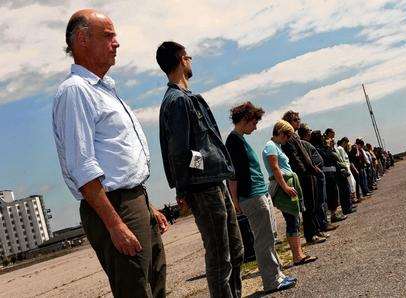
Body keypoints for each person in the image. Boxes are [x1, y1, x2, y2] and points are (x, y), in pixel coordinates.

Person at [52, 9, 167, 297]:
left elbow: (118, 161)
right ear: (82, 39)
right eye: (108, 36)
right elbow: (82, 166)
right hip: (114, 207)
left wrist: (144, 204)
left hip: (131, 201)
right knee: (136, 290)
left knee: (156, 284)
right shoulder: (76, 91)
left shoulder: (105, 90)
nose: (116, 43)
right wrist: (115, 222)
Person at [157, 41, 244, 298]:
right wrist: (201, 167)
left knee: (236, 250)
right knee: (220, 256)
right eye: (189, 57)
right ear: (182, 60)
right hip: (203, 186)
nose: (191, 61)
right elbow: (181, 153)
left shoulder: (187, 98)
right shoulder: (177, 102)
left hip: (214, 181)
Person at [225, 102, 297, 293]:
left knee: (269, 238)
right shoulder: (233, 141)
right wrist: (235, 201)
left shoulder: (239, 139)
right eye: (254, 122)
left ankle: (277, 274)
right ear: (245, 120)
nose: (256, 127)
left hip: (258, 193)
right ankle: (271, 281)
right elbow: (232, 175)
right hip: (251, 196)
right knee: (263, 240)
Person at [262, 120, 318, 266]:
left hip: (288, 183)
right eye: (287, 136)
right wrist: (286, 187)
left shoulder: (277, 146)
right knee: (292, 219)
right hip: (283, 186)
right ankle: (297, 256)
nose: (287, 140)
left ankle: (298, 253)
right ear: (281, 133)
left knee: (295, 218)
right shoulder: (270, 146)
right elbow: (275, 168)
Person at [281, 111, 327, 244]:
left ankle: (315, 230)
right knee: (308, 205)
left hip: (308, 172)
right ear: (289, 122)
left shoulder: (294, 136)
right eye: (296, 120)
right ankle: (310, 235)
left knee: (313, 203)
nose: (298, 121)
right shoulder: (289, 138)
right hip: (303, 175)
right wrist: (307, 171)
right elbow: (296, 158)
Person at [298, 124, 338, 232]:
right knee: (319, 201)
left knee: (323, 200)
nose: (310, 132)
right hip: (315, 175)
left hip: (319, 174)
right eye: (309, 130)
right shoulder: (303, 143)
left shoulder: (307, 143)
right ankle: (322, 224)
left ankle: (323, 222)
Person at [310, 131, 347, 223]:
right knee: (328, 197)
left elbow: (334, 157)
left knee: (334, 195)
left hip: (331, 173)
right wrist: (327, 147)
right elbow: (329, 157)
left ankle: (334, 215)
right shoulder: (317, 148)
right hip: (326, 174)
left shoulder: (322, 147)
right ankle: (329, 217)